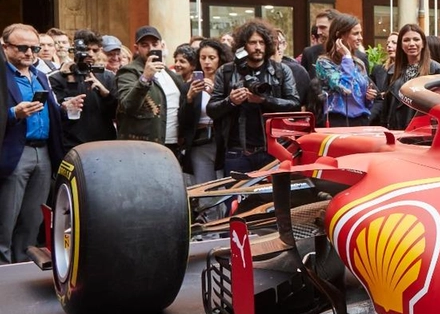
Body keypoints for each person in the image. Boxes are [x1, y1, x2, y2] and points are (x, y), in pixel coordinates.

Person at [1, 23, 71, 263]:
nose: (29, 53)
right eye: (22, 48)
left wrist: (64, 109)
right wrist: (13, 113)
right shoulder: (2, 76)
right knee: (6, 217)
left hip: (43, 152)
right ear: (5, 47)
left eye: (34, 48)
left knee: (33, 217)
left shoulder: (41, 76)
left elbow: (48, 110)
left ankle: (22, 263)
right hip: (14, 153)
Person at [206, 19, 301, 174]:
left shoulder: (281, 71)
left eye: (262, 43)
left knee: (272, 197)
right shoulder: (227, 72)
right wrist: (231, 101)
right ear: (243, 46)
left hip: (273, 148)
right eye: (252, 43)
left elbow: (294, 104)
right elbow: (212, 110)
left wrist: (264, 100)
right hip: (237, 150)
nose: (258, 47)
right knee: (235, 197)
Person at [115, 25, 187, 156]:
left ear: (161, 46)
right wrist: (145, 78)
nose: (151, 49)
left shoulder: (172, 75)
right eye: (145, 45)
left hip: (173, 145)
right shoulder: (129, 71)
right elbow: (128, 105)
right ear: (136, 49)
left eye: (155, 44)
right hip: (143, 146)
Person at [48, 29, 117, 152]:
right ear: (75, 50)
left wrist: (105, 93)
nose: (90, 54)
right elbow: (56, 114)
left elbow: (116, 113)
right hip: (71, 145)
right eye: (85, 50)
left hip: (104, 143)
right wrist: (71, 81)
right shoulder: (56, 77)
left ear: (100, 51)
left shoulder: (108, 76)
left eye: (95, 50)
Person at [180, 39, 231, 192]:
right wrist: (189, 99)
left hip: (223, 141)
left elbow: (230, 110)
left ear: (220, 59)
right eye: (203, 58)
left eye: (211, 58)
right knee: (204, 188)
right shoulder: (190, 86)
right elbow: (183, 121)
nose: (207, 62)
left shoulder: (227, 83)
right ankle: (209, 216)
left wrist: (214, 93)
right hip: (200, 142)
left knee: (225, 187)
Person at [314, 13, 376, 126]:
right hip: (338, 121)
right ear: (340, 35)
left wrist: (368, 97)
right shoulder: (324, 63)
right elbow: (345, 88)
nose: (360, 38)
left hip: (361, 121)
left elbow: (363, 100)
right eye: (356, 33)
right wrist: (347, 57)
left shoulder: (359, 63)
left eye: (360, 33)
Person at [379, 24, 437, 130]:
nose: (411, 44)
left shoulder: (435, 69)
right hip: (396, 129)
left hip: (423, 131)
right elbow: (385, 106)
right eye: (406, 40)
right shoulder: (392, 70)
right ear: (401, 45)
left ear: (423, 43)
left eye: (416, 39)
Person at [272, 27, 311, 113]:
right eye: (274, 43)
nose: (278, 47)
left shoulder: (298, 70)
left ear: (285, 44)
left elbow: (303, 103)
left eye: (281, 43)